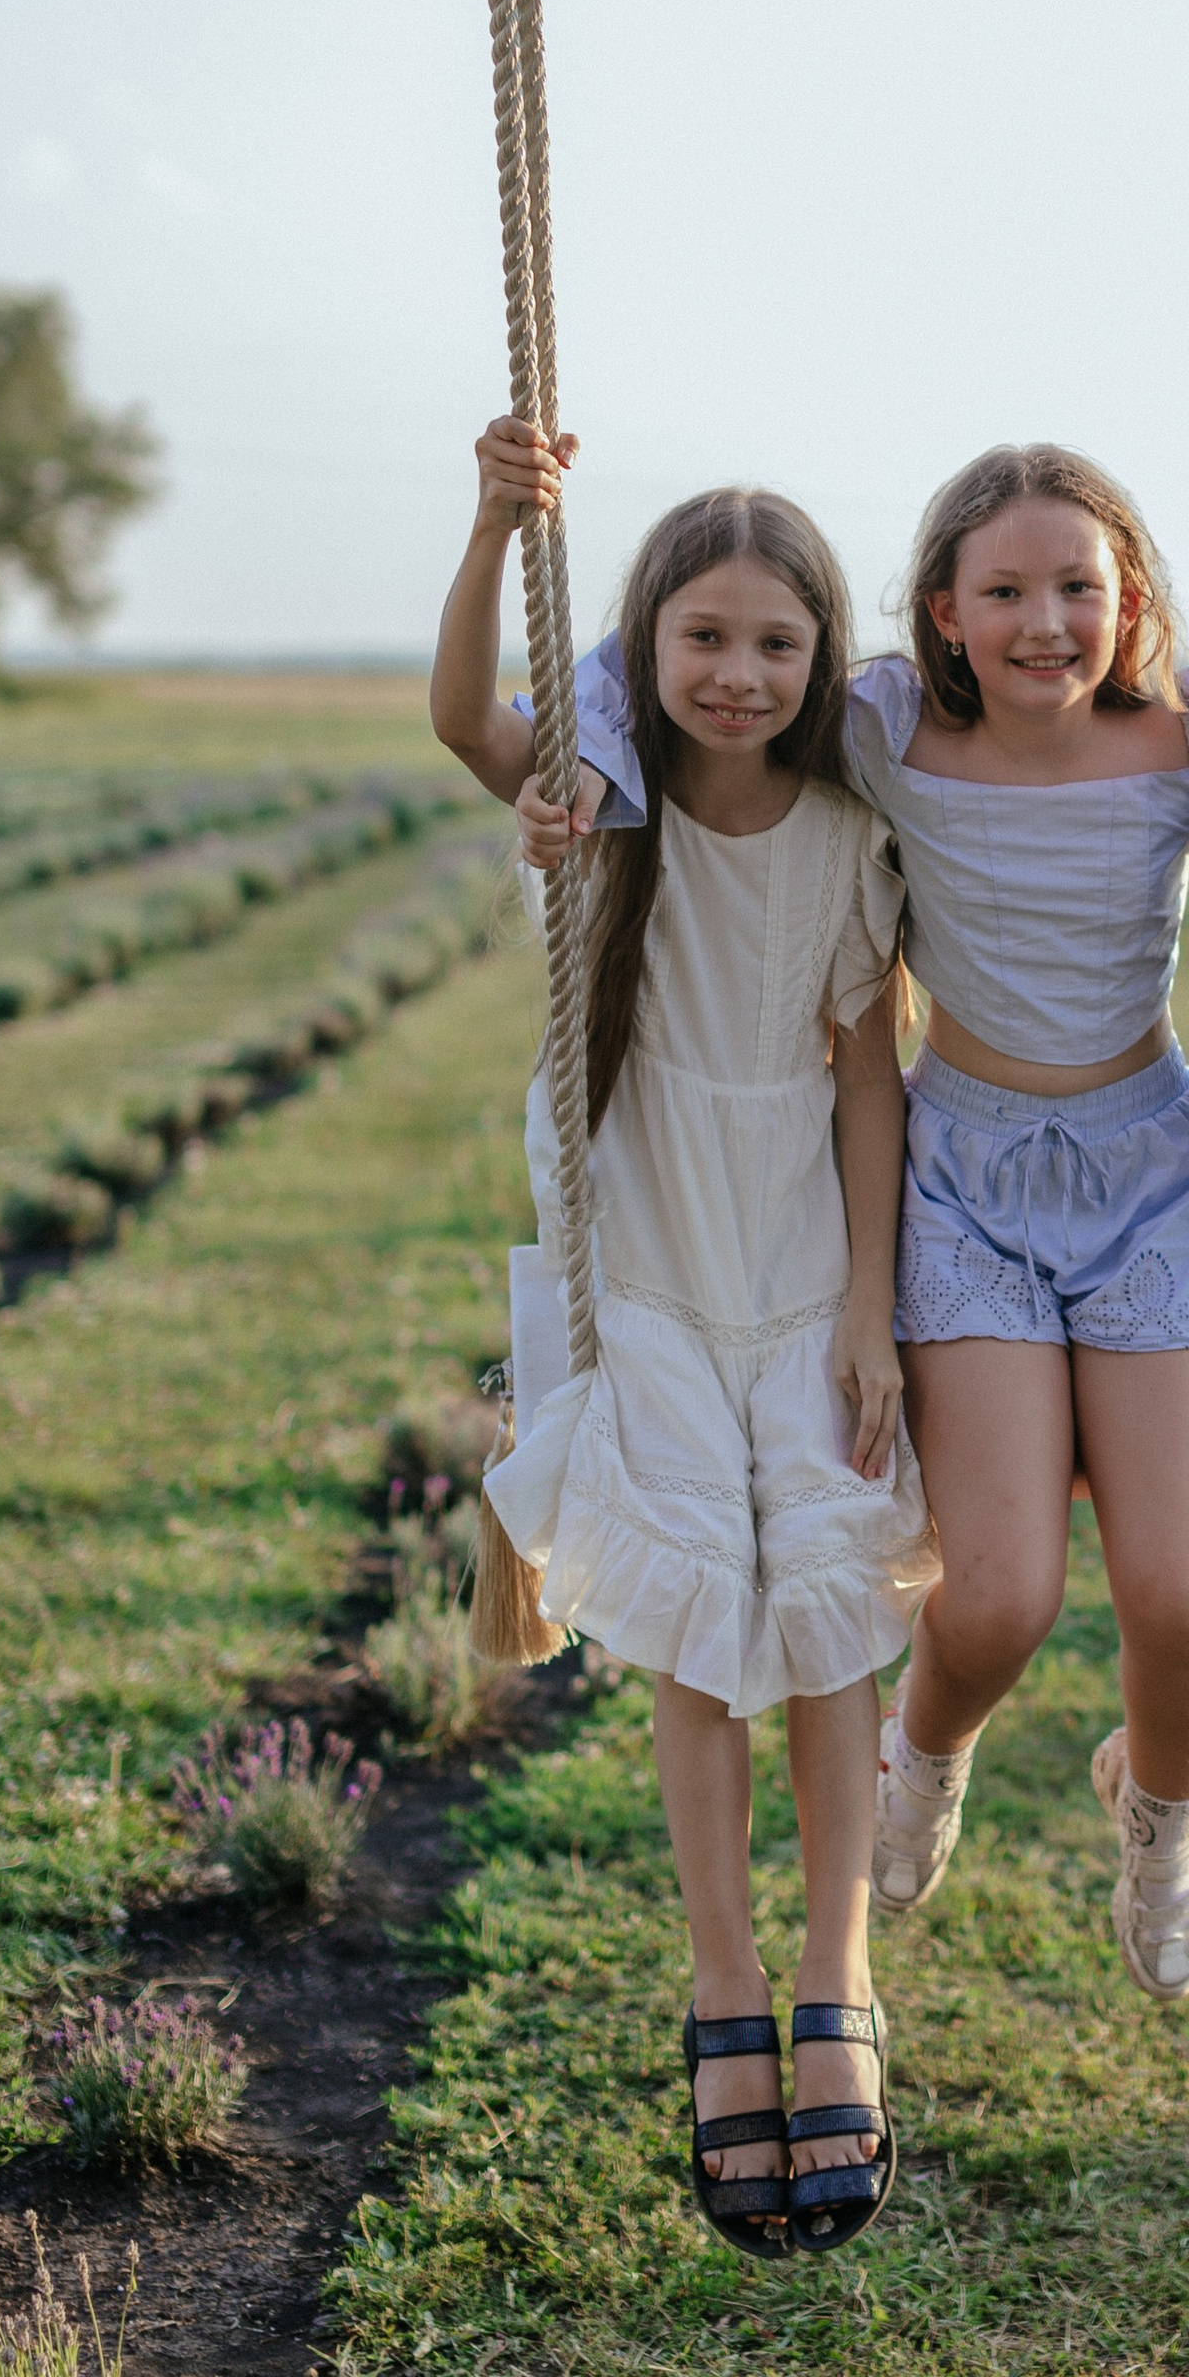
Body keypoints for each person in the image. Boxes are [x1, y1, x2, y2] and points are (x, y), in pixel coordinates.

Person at [514, 440, 1189, 2004]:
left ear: (1132, 600)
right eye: (1006, 591)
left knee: (1178, 1598)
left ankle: (1163, 1829)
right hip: (966, 1184)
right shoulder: (885, 727)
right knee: (1003, 1595)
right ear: (942, 614)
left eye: (1078, 589)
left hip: (1152, 1177)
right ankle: (922, 1753)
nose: (1045, 623)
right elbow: (668, 665)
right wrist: (569, 753)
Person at [432, 424, 935, 2263]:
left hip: (797, 1253)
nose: (737, 673)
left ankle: (835, 1972)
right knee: (706, 1630)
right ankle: (725, 1983)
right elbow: (462, 722)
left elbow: (870, 1079)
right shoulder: (595, 807)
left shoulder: (847, 834)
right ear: (642, 643)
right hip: (640, 1255)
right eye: (703, 637)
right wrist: (496, 526)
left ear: (820, 658)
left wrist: (872, 1308)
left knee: (832, 1599)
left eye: (775, 643)